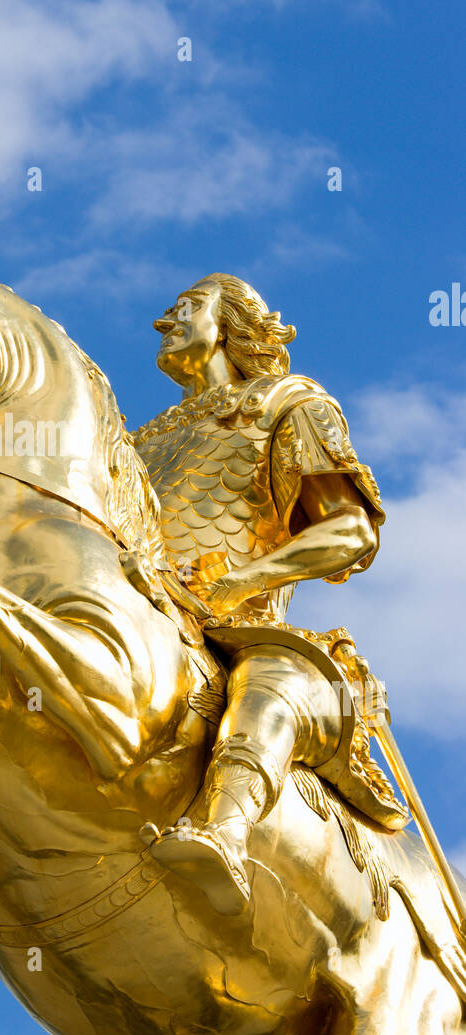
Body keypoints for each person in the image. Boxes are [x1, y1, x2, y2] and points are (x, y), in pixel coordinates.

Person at [133, 274, 406, 915]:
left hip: (232, 623)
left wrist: (238, 583)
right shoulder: (139, 441)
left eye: (187, 308)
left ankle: (223, 829)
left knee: (272, 682)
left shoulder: (287, 403)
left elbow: (349, 529)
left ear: (232, 325)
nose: (162, 321)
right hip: (136, 605)